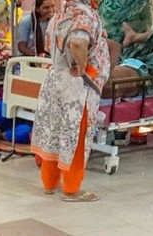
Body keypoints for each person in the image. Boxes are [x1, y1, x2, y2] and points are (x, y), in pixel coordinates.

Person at [30, 0, 110, 202]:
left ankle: (50, 184)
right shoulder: (83, 14)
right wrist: (81, 67)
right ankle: (72, 190)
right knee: (76, 136)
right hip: (77, 86)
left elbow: (50, 46)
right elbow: (77, 42)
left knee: (54, 133)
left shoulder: (59, 14)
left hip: (56, 81)